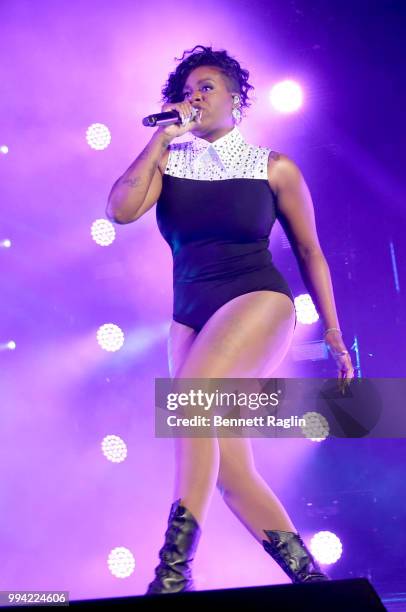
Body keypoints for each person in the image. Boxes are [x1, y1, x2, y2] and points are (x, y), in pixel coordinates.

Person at [106, 44, 355, 594]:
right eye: (187, 90)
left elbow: (311, 252)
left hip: (257, 297)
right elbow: (119, 211)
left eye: (206, 87)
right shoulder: (168, 160)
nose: (193, 97)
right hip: (188, 314)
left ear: (236, 99)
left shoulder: (274, 166)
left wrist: (334, 334)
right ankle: (313, 584)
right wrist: (160, 137)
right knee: (230, 470)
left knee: (190, 399)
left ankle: (172, 573)